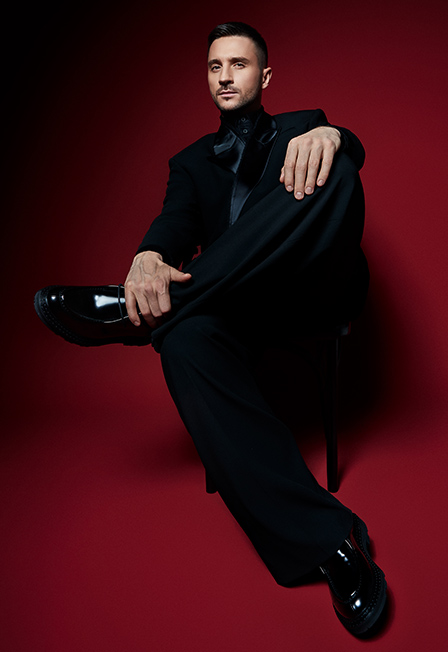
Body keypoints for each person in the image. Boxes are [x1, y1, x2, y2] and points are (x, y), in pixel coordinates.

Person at [35, 22, 387, 637]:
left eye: (238, 64)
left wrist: (337, 138)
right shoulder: (190, 163)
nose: (225, 75)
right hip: (238, 304)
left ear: (265, 76)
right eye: (215, 66)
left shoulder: (304, 125)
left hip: (314, 288)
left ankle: (144, 312)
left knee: (336, 173)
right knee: (183, 340)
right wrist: (148, 257)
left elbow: (345, 163)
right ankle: (333, 543)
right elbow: (173, 225)